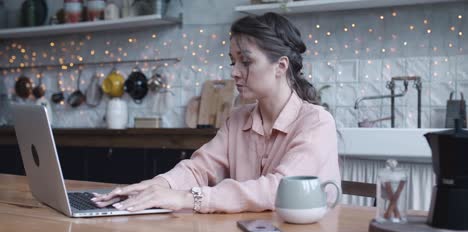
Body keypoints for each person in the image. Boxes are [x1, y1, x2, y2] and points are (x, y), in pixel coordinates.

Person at [92, 12, 340, 213]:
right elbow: (199, 168)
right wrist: (154, 186)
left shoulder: (317, 122)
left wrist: (187, 199)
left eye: (246, 61)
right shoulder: (238, 118)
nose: (234, 72)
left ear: (281, 66)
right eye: (234, 61)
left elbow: (278, 189)